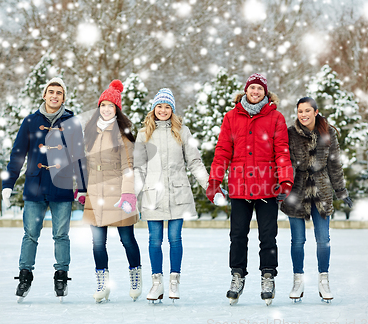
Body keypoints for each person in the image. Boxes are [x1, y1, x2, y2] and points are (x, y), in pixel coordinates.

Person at [206, 73, 294, 305]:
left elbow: (282, 151)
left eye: (260, 89)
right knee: (237, 236)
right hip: (239, 187)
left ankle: (268, 275)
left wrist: (285, 181)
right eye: (252, 88)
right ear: (246, 91)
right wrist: (214, 182)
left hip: (267, 187)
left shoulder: (275, 118)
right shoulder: (231, 117)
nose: (255, 92)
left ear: (266, 93)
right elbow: (223, 151)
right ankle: (237, 275)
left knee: (268, 236)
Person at [2, 77, 87, 302]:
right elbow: (17, 154)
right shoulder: (30, 121)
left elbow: (79, 157)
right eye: (51, 91)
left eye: (59, 93)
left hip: (62, 187)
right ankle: (25, 275)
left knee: (61, 235)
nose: (54, 96)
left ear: (63, 97)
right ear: (44, 95)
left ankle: (61, 276)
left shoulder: (72, 123)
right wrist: (8, 183)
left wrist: (83, 186)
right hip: (35, 186)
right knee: (30, 234)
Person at [134, 88, 209, 302]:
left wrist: (208, 185)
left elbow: (194, 162)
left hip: (178, 193)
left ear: (172, 110)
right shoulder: (143, 134)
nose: (163, 110)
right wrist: (131, 194)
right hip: (152, 195)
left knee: (175, 238)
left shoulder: (183, 132)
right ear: (153, 109)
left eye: (167, 107)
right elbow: (139, 168)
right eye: (160, 106)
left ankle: (174, 280)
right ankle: (156, 284)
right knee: (154, 240)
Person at [280, 97, 352, 303]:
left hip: (321, 190)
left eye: (307, 111)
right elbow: (285, 162)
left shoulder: (327, 132)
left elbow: (335, 165)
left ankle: (324, 279)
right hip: (296, 191)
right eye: (300, 111)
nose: (303, 115)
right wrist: (282, 187)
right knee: (298, 241)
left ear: (316, 111)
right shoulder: (289, 133)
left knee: (323, 240)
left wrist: (342, 191)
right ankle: (298, 279)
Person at [82, 80, 141, 303]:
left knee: (127, 239)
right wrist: (81, 189)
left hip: (118, 194)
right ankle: (102, 284)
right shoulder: (90, 131)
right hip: (95, 194)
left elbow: (129, 167)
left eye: (111, 106)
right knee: (98, 243)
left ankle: (135, 275)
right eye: (103, 105)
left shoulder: (123, 134)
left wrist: (127, 194)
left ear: (117, 109)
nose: (106, 109)